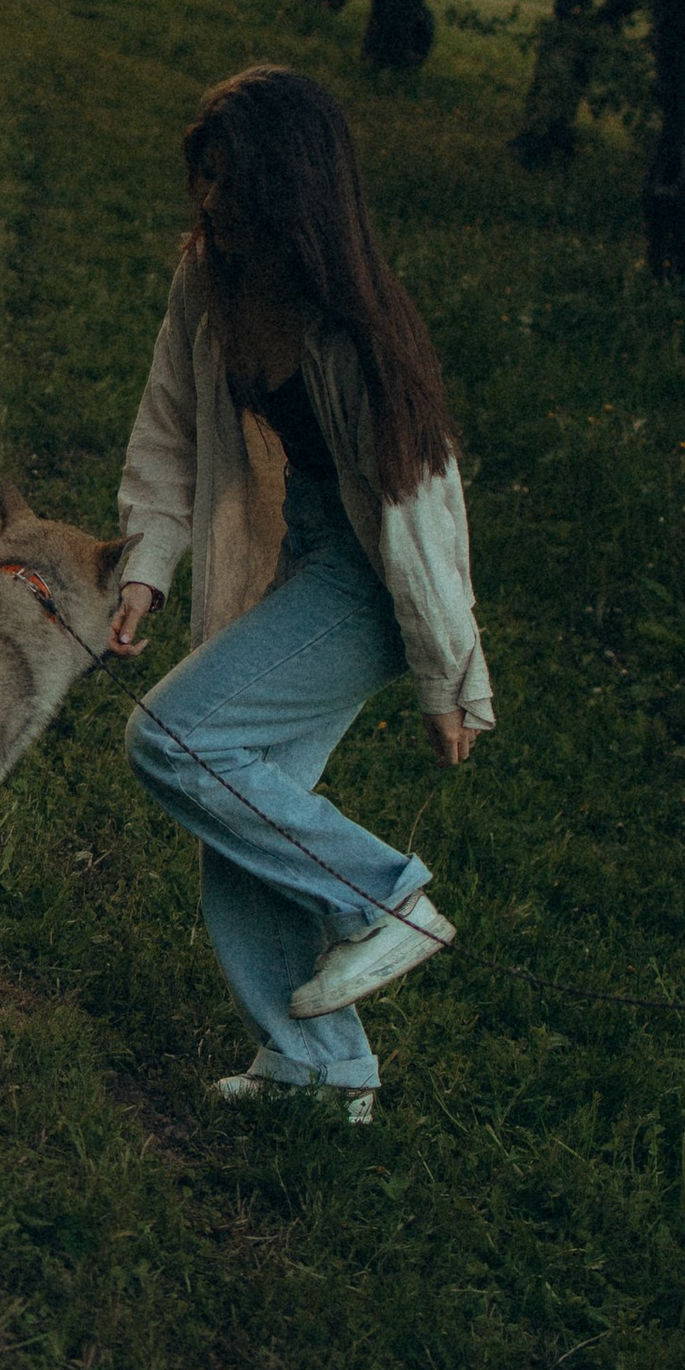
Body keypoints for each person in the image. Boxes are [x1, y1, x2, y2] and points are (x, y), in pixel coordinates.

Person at [109, 65, 493, 1114]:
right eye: (205, 179)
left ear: (296, 190)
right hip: (302, 553)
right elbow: (167, 432)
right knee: (238, 808)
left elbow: (423, 525)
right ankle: (322, 1073)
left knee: (175, 741)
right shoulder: (206, 280)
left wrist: (448, 678)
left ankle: (383, 899)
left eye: (235, 184)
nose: (213, 204)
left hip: (371, 582)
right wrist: (143, 572)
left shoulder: (354, 327)